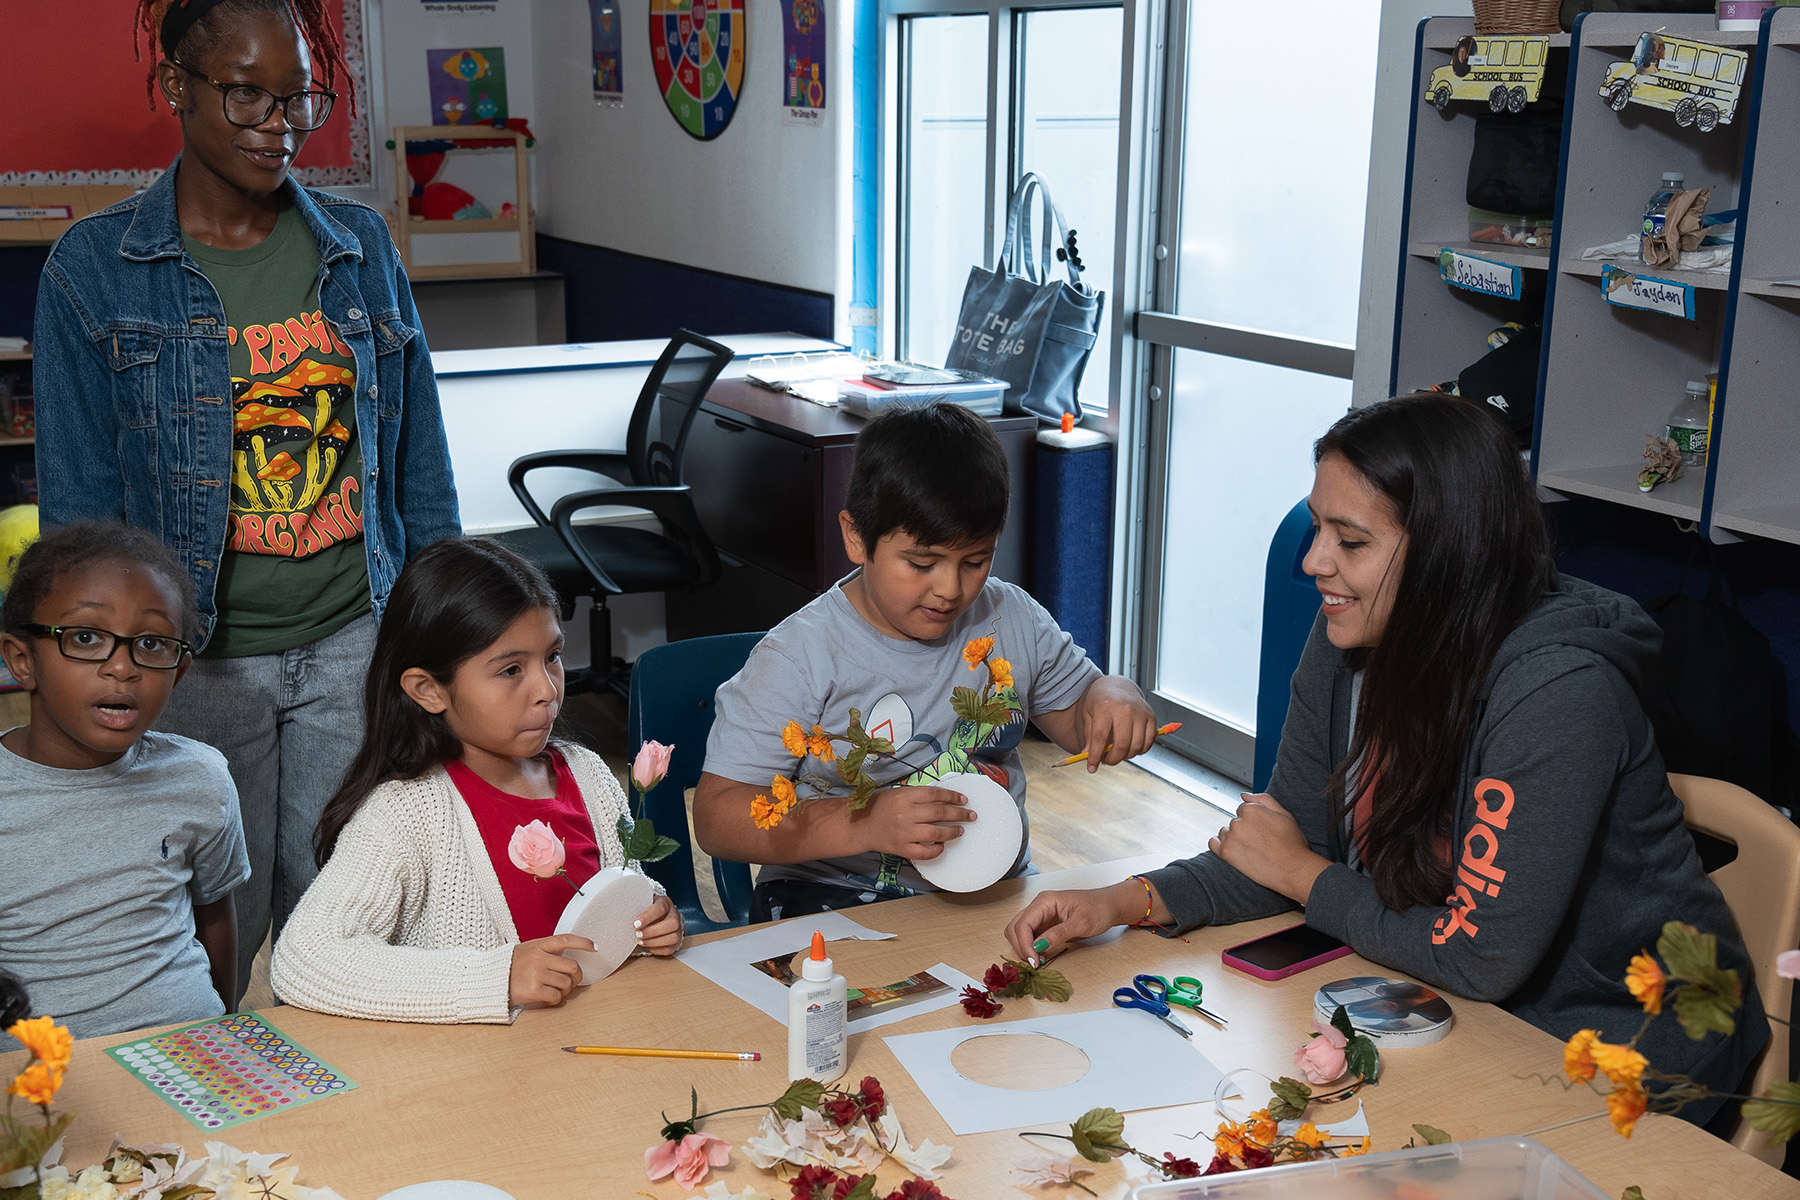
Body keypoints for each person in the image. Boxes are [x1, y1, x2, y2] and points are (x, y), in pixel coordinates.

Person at [1004, 394, 1767, 1125]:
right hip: (1480, 1011)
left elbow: (1474, 953)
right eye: (1317, 529)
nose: (1313, 563)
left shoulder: (1559, 692)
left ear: (1447, 554)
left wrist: (1305, 876)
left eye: (1352, 541)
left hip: (1630, 1049)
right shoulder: (1354, 633)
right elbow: (1284, 842)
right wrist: (1126, 901)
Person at [33, 0, 462, 1000]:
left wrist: (443, 629)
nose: (279, 122)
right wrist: (94, 672)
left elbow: (419, 466)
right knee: (201, 939)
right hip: (199, 659)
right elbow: (81, 517)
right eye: (246, 93)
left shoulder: (358, 246)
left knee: (352, 920)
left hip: (356, 637)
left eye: (299, 96)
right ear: (176, 86)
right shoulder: (95, 272)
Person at [694, 402, 1159, 922]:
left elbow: (1078, 723)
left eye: (976, 561)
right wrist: (863, 822)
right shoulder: (798, 658)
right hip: (832, 895)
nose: (950, 589)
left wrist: (1114, 694)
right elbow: (717, 817)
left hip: (992, 886)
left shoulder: (1011, 618)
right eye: (921, 563)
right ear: (855, 537)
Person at [269, 539, 681, 1024]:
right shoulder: (404, 813)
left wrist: (654, 915)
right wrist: (496, 978)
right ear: (428, 690)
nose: (547, 691)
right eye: (510, 670)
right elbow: (303, 959)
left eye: (552, 656)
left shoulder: (590, 773)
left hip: (595, 1038)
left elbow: (616, 896)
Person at [0, 523, 249, 1049]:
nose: (122, 667)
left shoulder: (200, 778)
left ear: (178, 672)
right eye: (86, 637)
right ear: (23, 660)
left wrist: (221, 1029)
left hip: (190, 1053)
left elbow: (216, 917)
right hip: (45, 1087)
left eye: (152, 643)